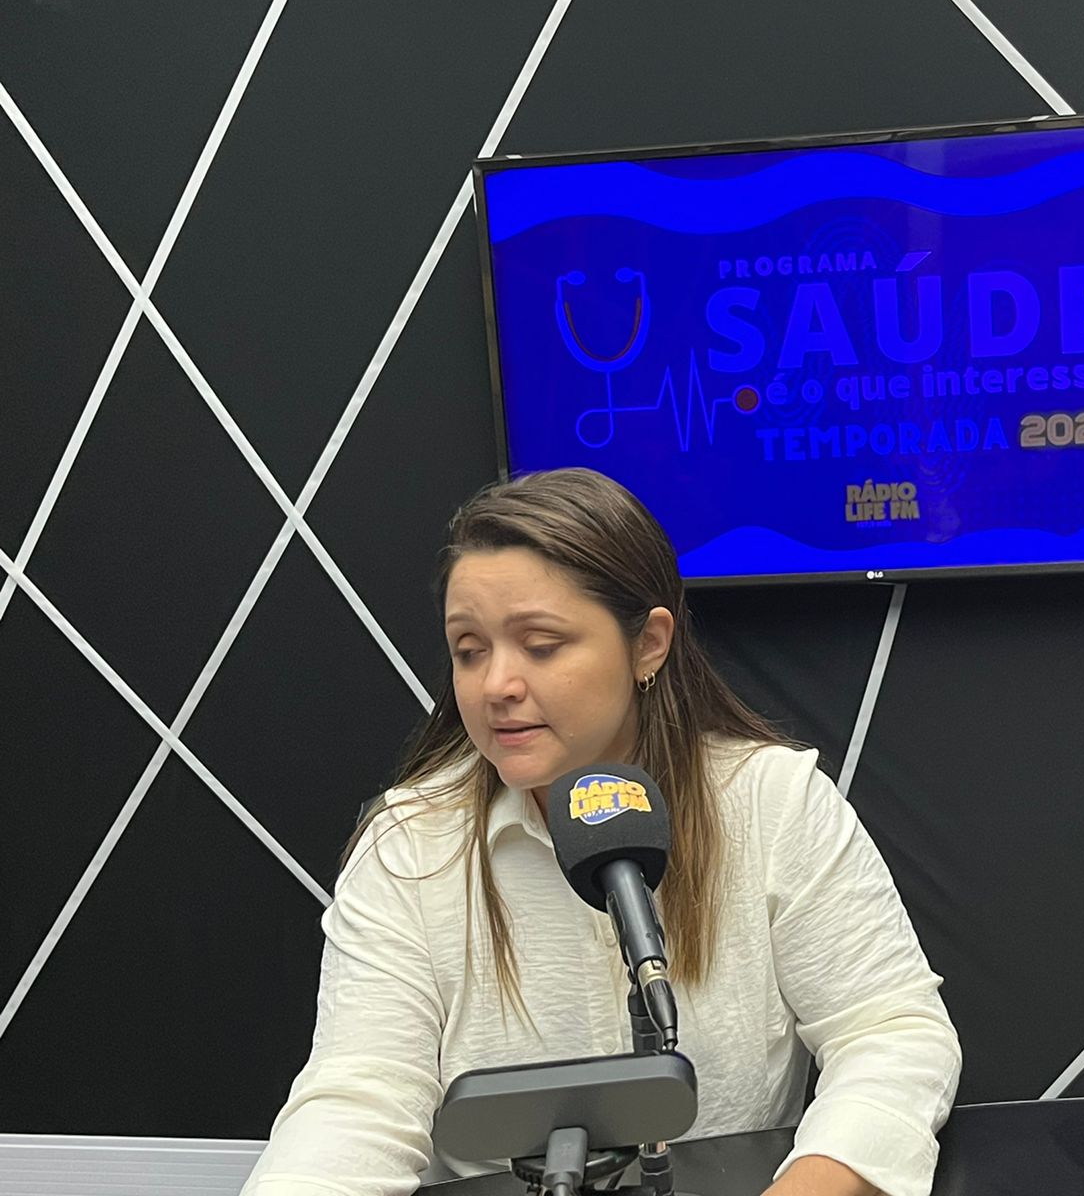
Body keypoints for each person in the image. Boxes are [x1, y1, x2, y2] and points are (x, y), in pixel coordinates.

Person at [242, 468, 962, 1196]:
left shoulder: (772, 801)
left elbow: (890, 1034)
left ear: (648, 644)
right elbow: (357, 1101)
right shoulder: (410, 842)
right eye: (469, 649)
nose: (496, 685)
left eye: (541, 645)